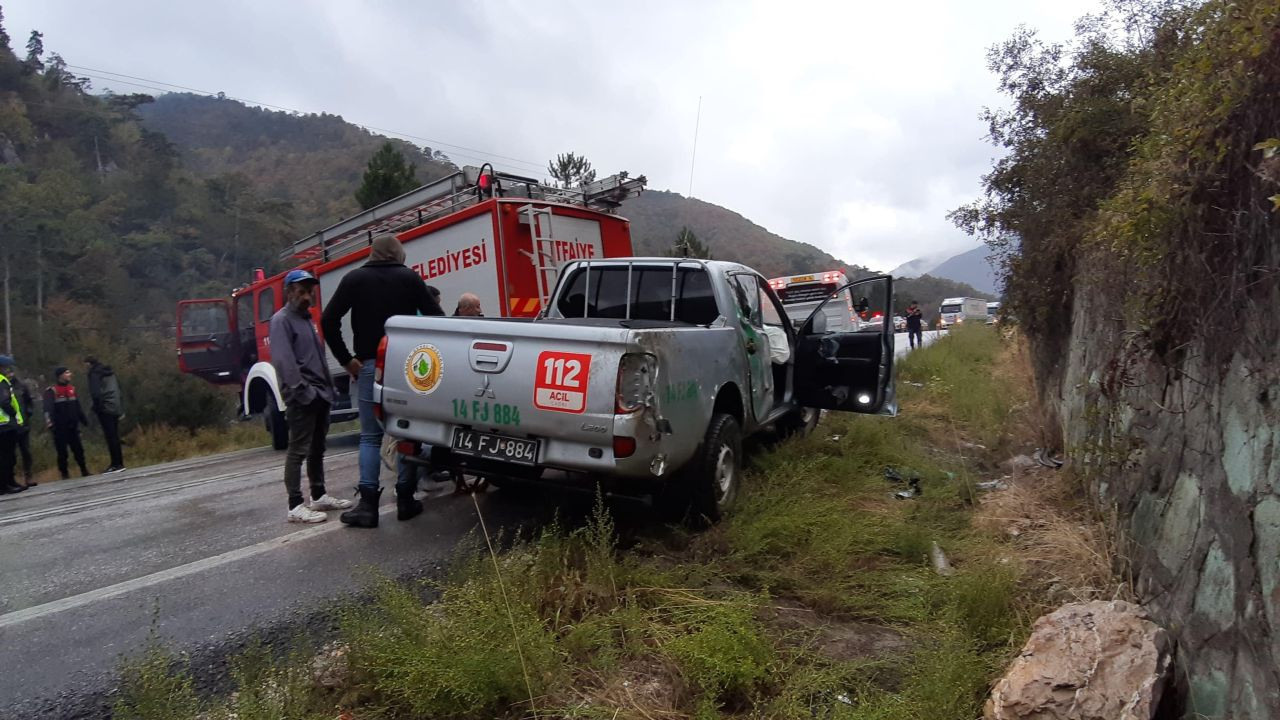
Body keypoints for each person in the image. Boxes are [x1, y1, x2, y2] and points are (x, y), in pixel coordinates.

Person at [321, 234, 443, 528]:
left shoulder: (354, 279)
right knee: (405, 430)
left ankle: (368, 506)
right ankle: (405, 499)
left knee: (369, 436)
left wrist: (346, 359)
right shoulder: (410, 279)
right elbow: (437, 317)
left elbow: (328, 320)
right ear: (397, 254)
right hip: (404, 366)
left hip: (369, 365)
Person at [270, 269, 353, 523]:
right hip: (303, 397)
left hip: (320, 395)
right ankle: (295, 505)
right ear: (289, 291)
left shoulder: (307, 319)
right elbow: (286, 363)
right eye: (301, 290)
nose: (307, 295)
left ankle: (318, 496)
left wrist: (329, 388)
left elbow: (317, 358)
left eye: (309, 291)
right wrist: (304, 393)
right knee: (298, 451)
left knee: (317, 448)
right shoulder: (281, 320)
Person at [43, 366, 91, 480]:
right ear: (60, 375)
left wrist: (84, 421)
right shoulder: (52, 391)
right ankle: (64, 474)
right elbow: (47, 409)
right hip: (59, 427)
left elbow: (77, 407)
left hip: (73, 426)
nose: (70, 374)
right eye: (67, 372)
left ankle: (84, 470)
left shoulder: (72, 389)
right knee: (62, 452)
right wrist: (50, 424)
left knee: (79, 449)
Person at [85, 355, 126, 473]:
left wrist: (97, 408)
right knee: (115, 436)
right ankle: (120, 463)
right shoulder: (109, 372)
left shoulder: (94, 374)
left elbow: (96, 393)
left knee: (110, 437)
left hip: (105, 408)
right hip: (115, 406)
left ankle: (115, 464)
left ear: (88, 364)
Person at [0, 355, 28, 494]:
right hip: (5, 424)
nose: (7, 369)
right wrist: (13, 415)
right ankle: (6, 484)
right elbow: (5, 402)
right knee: (8, 456)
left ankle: (8, 482)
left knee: (6, 456)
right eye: (5, 367)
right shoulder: (2, 381)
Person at [12, 365, 39, 486]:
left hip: (23, 424)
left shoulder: (21, 386)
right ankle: (10, 479)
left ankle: (28, 476)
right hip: (9, 425)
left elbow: (29, 402)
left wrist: (28, 413)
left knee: (26, 452)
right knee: (10, 454)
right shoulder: (4, 386)